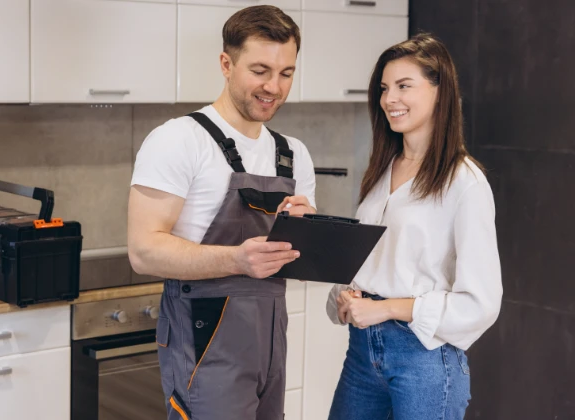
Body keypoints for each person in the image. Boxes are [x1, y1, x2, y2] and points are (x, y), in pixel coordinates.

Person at [128, 5, 317, 420]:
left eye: (286, 73)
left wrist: (308, 233)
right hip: (205, 342)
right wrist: (236, 259)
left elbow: (294, 259)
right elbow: (142, 251)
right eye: (260, 70)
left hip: (270, 340)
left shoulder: (293, 154)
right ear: (226, 64)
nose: (274, 86)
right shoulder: (178, 140)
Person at [325, 33, 503, 419]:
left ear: (441, 91)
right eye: (385, 88)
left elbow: (481, 304)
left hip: (424, 360)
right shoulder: (382, 171)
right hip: (361, 353)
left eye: (405, 86)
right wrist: (345, 296)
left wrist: (387, 309)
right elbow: (372, 262)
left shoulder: (465, 183)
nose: (390, 99)